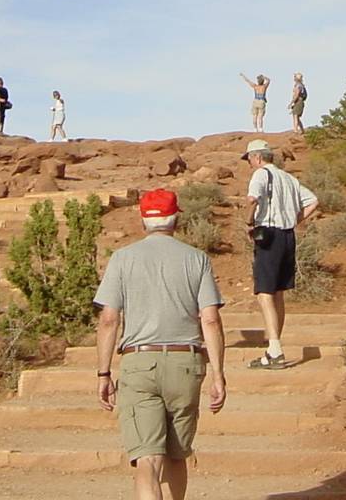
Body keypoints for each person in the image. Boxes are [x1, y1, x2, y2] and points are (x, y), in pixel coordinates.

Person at [94, 188, 227, 500]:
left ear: (143, 219)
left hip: (139, 364)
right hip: (186, 364)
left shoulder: (123, 259)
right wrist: (218, 373)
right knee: (178, 455)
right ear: (176, 218)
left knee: (147, 459)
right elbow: (210, 319)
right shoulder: (197, 259)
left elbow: (109, 320)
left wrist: (103, 373)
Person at [241, 138, 318, 370]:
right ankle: (273, 349)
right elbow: (313, 201)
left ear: (256, 157)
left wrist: (249, 223)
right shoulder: (288, 178)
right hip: (287, 236)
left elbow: (252, 199)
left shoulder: (261, 174)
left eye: (249, 160)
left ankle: (275, 350)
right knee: (278, 293)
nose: (249, 164)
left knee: (264, 291)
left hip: (269, 235)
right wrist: (295, 220)